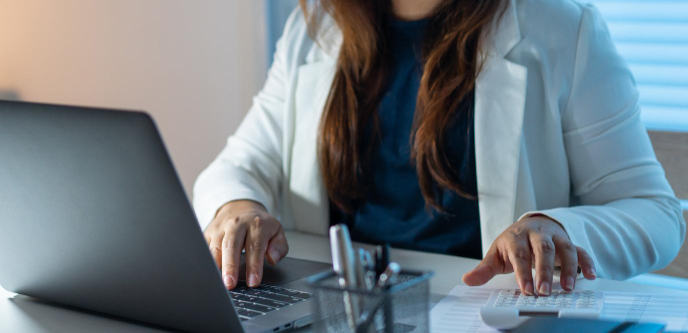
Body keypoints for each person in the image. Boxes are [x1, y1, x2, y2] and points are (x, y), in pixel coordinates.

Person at [193, 0, 686, 296]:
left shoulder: (561, 27)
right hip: (343, 309)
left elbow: (658, 214)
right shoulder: (315, 25)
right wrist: (237, 206)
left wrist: (557, 229)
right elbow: (240, 164)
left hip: (478, 309)